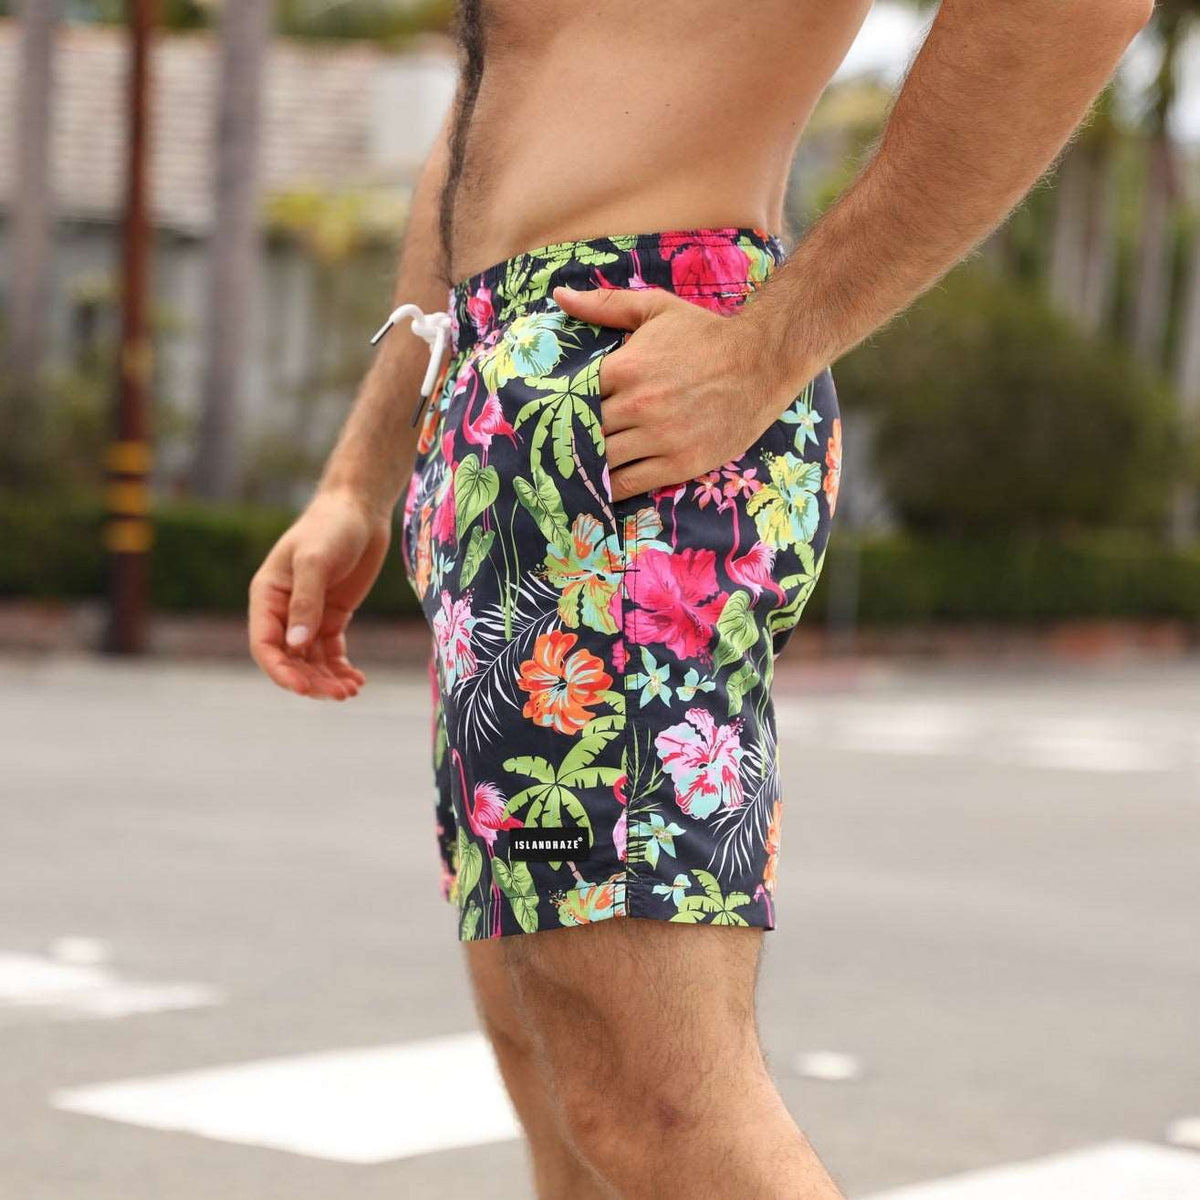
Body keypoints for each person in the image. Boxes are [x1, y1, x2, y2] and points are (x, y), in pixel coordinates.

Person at [249, 2, 1150, 1196]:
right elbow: (489, 98)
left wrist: (770, 344)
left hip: (627, 391)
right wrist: (361, 474)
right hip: (502, 400)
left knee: (653, 1101)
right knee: (559, 1070)